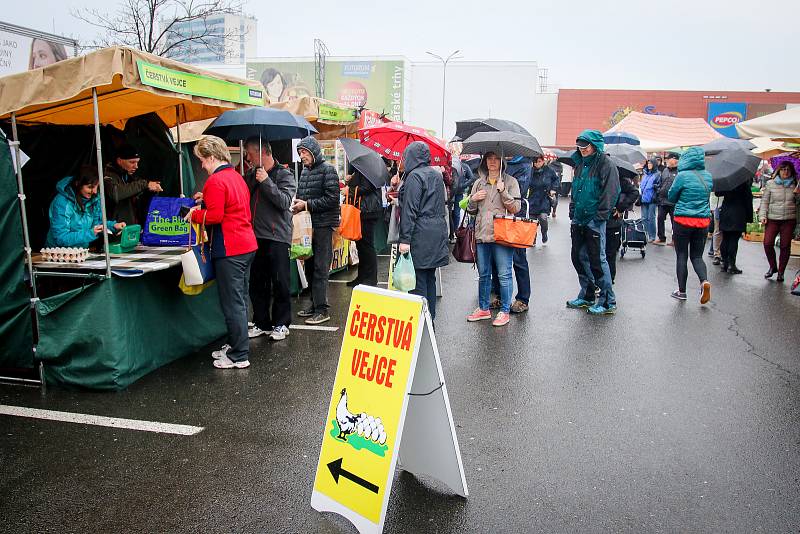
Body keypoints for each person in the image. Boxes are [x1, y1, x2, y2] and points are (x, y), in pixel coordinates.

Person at [187, 136, 257, 369]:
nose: (202, 166)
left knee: (232, 303)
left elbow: (215, 216)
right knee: (240, 300)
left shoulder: (215, 181)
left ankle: (239, 354)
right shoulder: (236, 177)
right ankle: (237, 345)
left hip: (230, 248)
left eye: (203, 161)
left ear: (211, 157)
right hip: (246, 244)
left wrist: (194, 214)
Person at [242, 137, 296, 341]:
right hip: (254, 236)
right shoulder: (249, 175)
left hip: (277, 237)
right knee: (257, 281)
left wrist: (266, 181)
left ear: (263, 152)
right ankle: (261, 322)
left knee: (280, 281)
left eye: (250, 153)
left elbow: (284, 202)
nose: (247, 158)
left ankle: (282, 323)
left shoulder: (284, 174)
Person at [566, 130, 620, 316]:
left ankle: (607, 301)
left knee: (598, 260)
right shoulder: (580, 165)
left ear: (595, 146)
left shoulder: (606, 165)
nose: (582, 149)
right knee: (578, 257)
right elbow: (576, 190)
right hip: (578, 219)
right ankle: (588, 294)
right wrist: (573, 209)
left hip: (594, 221)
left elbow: (612, 192)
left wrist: (600, 216)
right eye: (579, 145)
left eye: (585, 145)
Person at [465, 152, 521, 327]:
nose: (492, 162)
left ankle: (504, 311)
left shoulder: (510, 182)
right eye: (489, 159)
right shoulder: (478, 183)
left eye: (496, 159)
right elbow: (471, 210)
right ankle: (483, 308)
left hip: (502, 234)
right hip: (482, 234)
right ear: (484, 162)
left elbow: (516, 208)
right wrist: (473, 200)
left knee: (504, 275)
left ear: (502, 161)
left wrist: (503, 191)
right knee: (483, 275)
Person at [397, 142, 449, 320]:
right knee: (429, 279)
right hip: (436, 232)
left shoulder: (414, 177)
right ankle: (430, 322)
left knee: (417, 283)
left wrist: (404, 240)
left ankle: (421, 326)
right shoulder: (436, 175)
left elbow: (410, 211)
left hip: (420, 234)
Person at [292, 136, 340, 325]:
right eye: (300, 152)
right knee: (310, 266)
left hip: (323, 226)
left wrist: (307, 204)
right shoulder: (304, 172)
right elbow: (302, 196)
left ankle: (322, 309)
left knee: (320, 267)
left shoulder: (328, 170)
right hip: (308, 227)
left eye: (304, 152)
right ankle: (314, 304)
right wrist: (298, 205)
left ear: (313, 152)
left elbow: (332, 199)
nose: (302, 156)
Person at [665, 147, 713, 303]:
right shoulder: (708, 176)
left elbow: (671, 197)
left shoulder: (682, 176)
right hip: (703, 221)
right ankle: (704, 281)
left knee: (682, 255)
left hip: (683, 221)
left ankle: (681, 291)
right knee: (697, 256)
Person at [46, 165, 126, 248]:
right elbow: (60, 238)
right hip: (57, 253)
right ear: (77, 184)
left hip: (80, 252)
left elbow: (97, 224)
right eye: (90, 187)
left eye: (97, 187)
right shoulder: (62, 202)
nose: (95, 191)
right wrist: (90, 233)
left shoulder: (94, 198)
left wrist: (113, 226)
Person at [491, 156, 533, 313]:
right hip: (497, 219)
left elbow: (519, 192)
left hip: (515, 219)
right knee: (495, 259)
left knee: (518, 260)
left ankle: (523, 298)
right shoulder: (498, 162)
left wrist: (503, 186)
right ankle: (500, 295)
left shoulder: (524, 165)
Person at [104, 143, 163, 225]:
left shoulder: (130, 177)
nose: (136, 166)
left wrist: (150, 190)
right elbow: (116, 194)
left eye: (137, 162)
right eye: (132, 162)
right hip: (115, 229)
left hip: (133, 227)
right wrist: (145, 184)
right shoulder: (108, 175)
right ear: (119, 161)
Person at [759, 161, 798, 282]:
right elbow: (765, 201)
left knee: (785, 246)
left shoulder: (796, 184)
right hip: (773, 219)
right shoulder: (771, 184)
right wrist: (762, 216)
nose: (785, 172)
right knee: (768, 243)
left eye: (788, 170)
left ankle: (781, 272)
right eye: (783, 169)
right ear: (778, 170)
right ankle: (773, 267)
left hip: (789, 220)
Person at [345, 166, 383, 287]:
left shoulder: (368, 168)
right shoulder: (362, 166)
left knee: (366, 246)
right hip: (363, 210)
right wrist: (350, 179)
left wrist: (349, 190)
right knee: (360, 245)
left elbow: (367, 187)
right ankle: (362, 277)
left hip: (368, 211)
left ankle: (371, 279)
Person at [606, 169, 639, 283]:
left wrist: (621, 207)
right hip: (597, 219)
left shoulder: (620, 179)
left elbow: (634, 192)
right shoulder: (596, 175)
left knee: (610, 253)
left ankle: (609, 282)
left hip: (612, 220)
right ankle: (600, 281)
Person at [716, 178, 754, 275]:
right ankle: (731, 265)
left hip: (726, 211)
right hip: (738, 212)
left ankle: (725, 263)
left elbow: (717, 193)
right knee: (733, 239)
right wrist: (749, 217)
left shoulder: (726, 179)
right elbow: (748, 199)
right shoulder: (743, 181)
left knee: (726, 238)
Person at [527, 155, 559, 246]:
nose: (537, 164)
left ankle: (544, 233)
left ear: (543, 161)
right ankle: (533, 238)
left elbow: (556, 180)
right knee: (532, 222)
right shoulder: (530, 171)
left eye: (539, 161)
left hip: (544, 198)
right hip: (532, 199)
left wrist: (553, 189)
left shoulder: (549, 171)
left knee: (543, 218)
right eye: (535, 162)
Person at [653, 152, 679, 245]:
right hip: (663, 200)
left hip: (673, 201)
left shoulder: (679, 171)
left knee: (674, 221)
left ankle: (674, 239)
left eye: (669, 159)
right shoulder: (665, 170)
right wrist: (658, 190)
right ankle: (661, 237)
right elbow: (661, 182)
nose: (667, 161)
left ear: (675, 160)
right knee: (660, 218)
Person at [639, 158, 660, 241]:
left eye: (651, 163)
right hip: (644, 198)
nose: (649, 165)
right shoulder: (645, 174)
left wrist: (656, 188)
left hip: (652, 198)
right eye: (648, 163)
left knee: (651, 217)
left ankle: (652, 236)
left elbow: (659, 186)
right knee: (644, 217)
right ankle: (645, 234)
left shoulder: (657, 174)